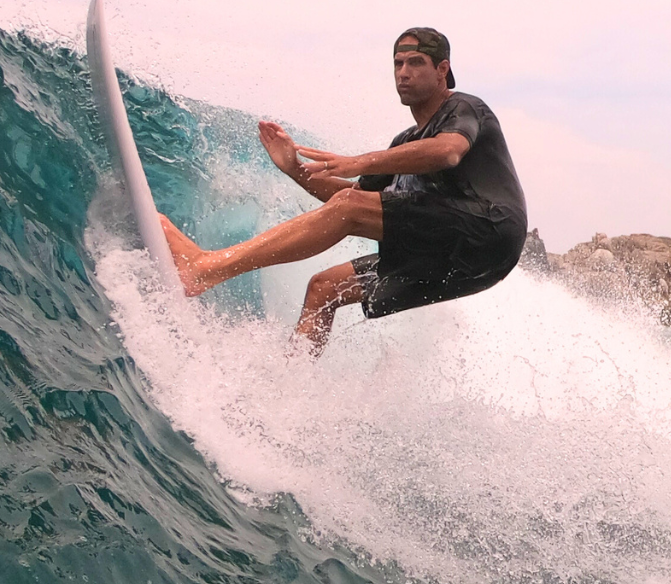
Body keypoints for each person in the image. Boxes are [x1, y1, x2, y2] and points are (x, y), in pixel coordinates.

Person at [159, 27, 528, 355]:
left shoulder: (463, 108)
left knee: (352, 206)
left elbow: (449, 151)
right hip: (458, 261)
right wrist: (293, 169)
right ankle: (292, 391)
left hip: (489, 231)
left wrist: (362, 161)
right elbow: (342, 201)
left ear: (442, 70)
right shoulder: (404, 142)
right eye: (398, 64)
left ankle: (206, 269)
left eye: (416, 63)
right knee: (324, 288)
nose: (403, 73)